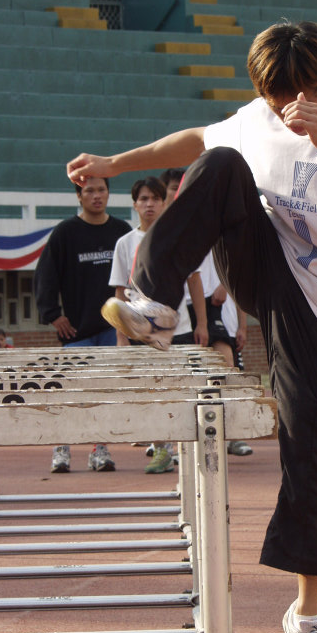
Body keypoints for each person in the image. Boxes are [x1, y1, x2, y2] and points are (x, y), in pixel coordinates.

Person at [67, 20, 317, 633]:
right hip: (260, 264)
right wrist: (113, 164)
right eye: (273, 100)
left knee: (311, 437)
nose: (283, 112)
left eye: (294, 99)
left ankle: (307, 619)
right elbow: (192, 141)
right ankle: (157, 306)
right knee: (219, 165)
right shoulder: (257, 114)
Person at [109, 175, 208, 473]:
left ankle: (188, 450)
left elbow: (194, 282)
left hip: (179, 328)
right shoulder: (125, 244)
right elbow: (119, 292)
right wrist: (122, 336)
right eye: (143, 199)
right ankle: (161, 450)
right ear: (135, 205)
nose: (149, 204)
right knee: (152, 391)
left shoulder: (179, 237)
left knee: (184, 389)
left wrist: (202, 323)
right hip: (142, 332)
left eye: (155, 198)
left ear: (165, 202)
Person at [34, 177, 131, 473]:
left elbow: (135, 276)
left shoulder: (122, 232)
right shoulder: (65, 233)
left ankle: (99, 449)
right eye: (89, 191)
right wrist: (53, 314)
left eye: (102, 189)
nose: (97, 196)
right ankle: (61, 448)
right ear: (79, 196)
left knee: (104, 394)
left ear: (108, 194)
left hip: (111, 330)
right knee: (69, 391)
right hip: (77, 331)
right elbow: (45, 277)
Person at [186, 251, 253, 456]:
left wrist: (243, 325)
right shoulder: (191, 235)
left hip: (226, 317)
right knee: (198, 376)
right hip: (197, 309)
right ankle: (191, 439)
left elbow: (239, 279)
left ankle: (232, 435)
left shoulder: (227, 240)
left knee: (229, 372)